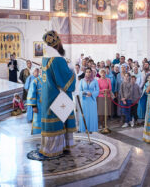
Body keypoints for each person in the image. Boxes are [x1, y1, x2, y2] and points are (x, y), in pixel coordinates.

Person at [28, 30, 76, 160]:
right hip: (58, 97)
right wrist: (71, 69)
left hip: (48, 96)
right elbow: (65, 80)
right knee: (58, 122)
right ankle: (56, 148)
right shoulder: (58, 59)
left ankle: (54, 147)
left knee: (56, 123)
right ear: (58, 43)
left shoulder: (45, 59)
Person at [78, 68, 99, 133]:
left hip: (92, 100)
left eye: (89, 72)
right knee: (84, 114)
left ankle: (91, 129)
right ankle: (84, 128)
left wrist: (92, 94)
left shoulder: (95, 81)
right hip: (84, 100)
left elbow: (97, 90)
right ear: (85, 73)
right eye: (87, 72)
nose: (88, 73)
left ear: (91, 73)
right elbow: (79, 90)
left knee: (92, 114)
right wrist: (84, 93)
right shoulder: (81, 80)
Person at [26, 69, 42, 135]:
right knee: (38, 120)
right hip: (38, 106)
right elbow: (31, 94)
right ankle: (37, 134)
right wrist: (34, 106)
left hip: (47, 106)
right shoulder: (35, 81)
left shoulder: (49, 81)